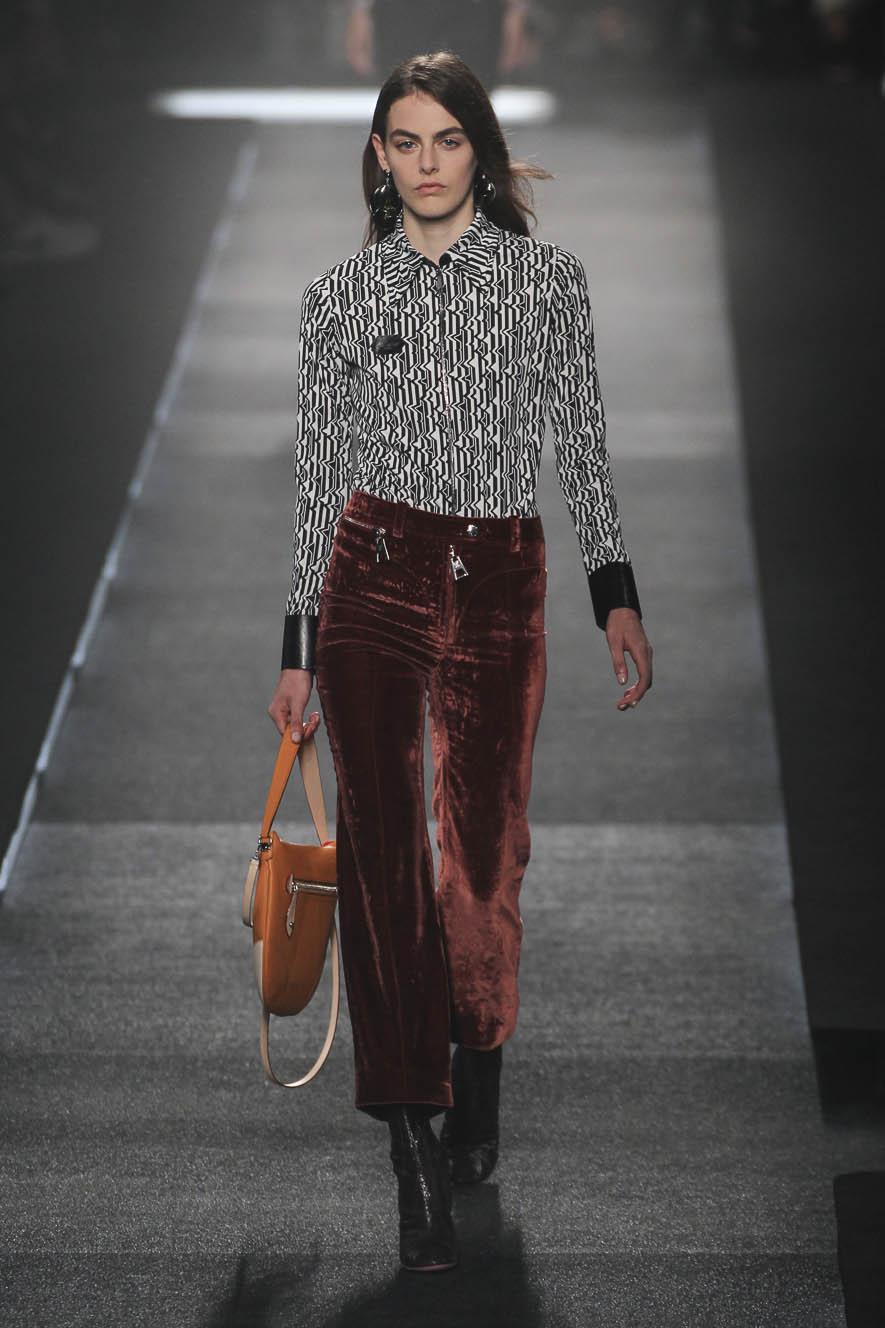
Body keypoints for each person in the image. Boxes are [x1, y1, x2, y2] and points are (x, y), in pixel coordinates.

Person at [268, 50, 653, 1273]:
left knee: (484, 859)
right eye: (405, 140)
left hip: (500, 576)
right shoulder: (339, 298)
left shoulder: (547, 283)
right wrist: (295, 644)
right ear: (379, 158)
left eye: (447, 139)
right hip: (372, 576)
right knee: (384, 861)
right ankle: (412, 1140)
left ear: (479, 152)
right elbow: (316, 477)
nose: (427, 162)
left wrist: (615, 594)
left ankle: (476, 1054)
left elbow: (581, 443)